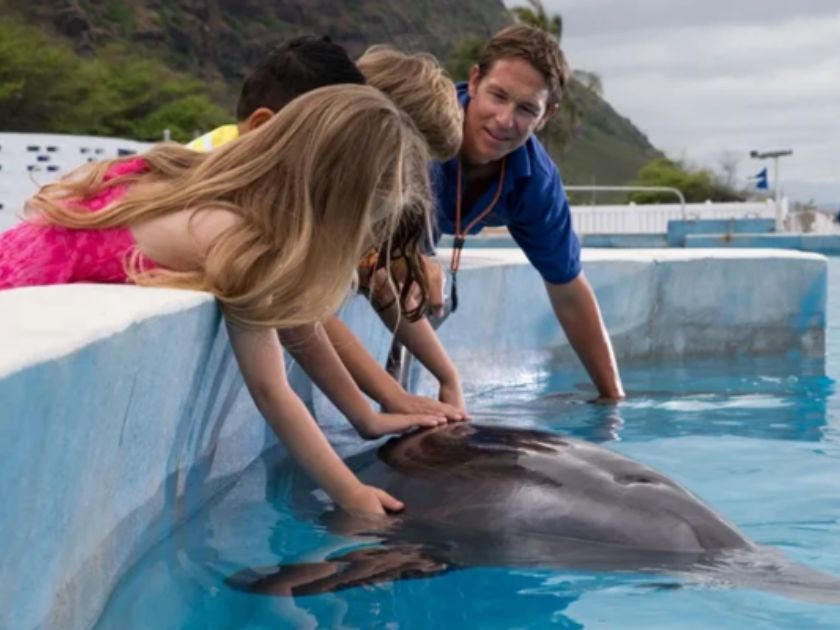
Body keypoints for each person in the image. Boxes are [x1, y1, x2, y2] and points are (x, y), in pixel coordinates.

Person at [0, 85, 432, 515]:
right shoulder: (243, 241)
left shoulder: (219, 189)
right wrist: (353, 496)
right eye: (364, 226)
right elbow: (271, 390)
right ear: (333, 207)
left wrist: (365, 417)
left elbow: (297, 321)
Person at [189, 37, 470, 438]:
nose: (401, 174)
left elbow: (376, 274)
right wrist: (385, 399)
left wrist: (447, 375)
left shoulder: (304, 180)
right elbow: (299, 310)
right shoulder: (265, 187)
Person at [429, 24, 625, 400]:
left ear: (547, 114)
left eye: (526, 109)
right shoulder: (424, 129)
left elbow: (568, 288)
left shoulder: (537, 182)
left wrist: (612, 401)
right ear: (473, 81)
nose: (505, 120)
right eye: (498, 96)